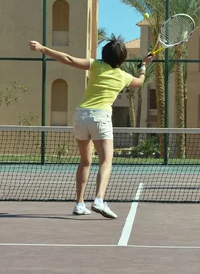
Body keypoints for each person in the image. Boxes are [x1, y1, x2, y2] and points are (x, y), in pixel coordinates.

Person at [29, 37, 153, 219]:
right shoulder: (124, 77)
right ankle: (99, 199)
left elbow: (69, 59)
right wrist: (143, 65)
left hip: (81, 116)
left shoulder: (95, 65)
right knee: (106, 161)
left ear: (104, 55)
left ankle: (79, 204)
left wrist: (42, 48)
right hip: (101, 117)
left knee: (85, 161)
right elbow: (140, 81)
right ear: (122, 60)